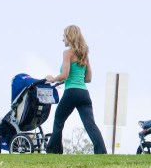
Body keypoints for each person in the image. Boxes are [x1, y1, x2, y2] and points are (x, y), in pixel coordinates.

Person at [44, 25, 107, 154]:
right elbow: (88, 78)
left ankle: (53, 151)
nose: (63, 40)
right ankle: (101, 152)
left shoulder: (68, 53)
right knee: (90, 125)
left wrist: (53, 79)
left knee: (58, 120)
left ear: (69, 37)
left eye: (64, 37)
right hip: (84, 93)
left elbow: (65, 74)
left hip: (71, 92)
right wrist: (73, 79)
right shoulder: (84, 54)